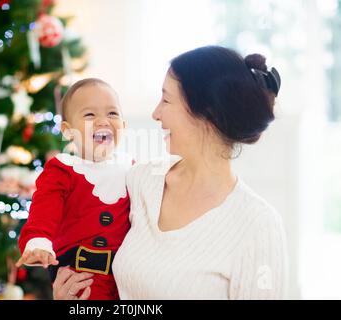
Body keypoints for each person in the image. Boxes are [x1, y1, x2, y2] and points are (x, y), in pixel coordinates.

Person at [52, 46, 288, 300]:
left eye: (166, 100)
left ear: (207, 114)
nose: (156, 114)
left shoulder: (257, 225)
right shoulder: (140, 180)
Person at [16, 78, 133, 300]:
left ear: (124, 126)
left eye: (112, 114)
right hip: (81, 278)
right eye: (90, 115)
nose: (103, 121)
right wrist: (39, 241)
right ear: (68, 131)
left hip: (126, 281)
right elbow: (44, 210)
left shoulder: (132, 168)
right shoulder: (63, 169)